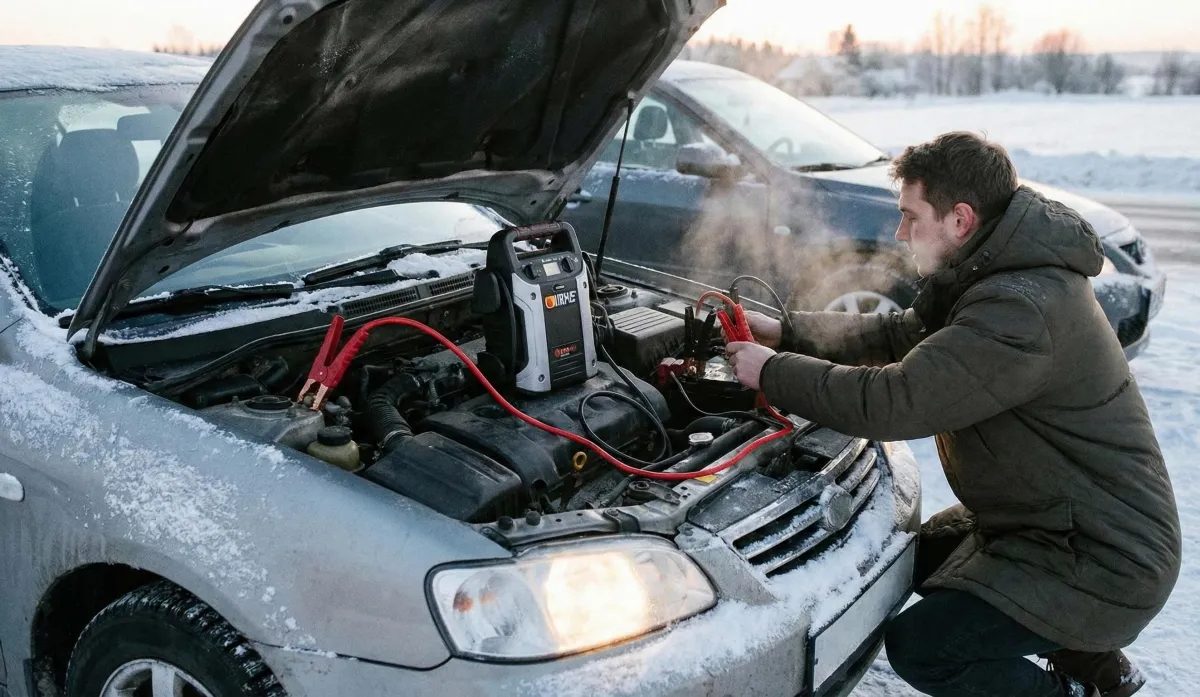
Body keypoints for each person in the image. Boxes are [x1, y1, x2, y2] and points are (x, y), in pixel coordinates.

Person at [725, 132, 1180, 697]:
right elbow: (901, 334)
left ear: (960, 219)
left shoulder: (1019, 309)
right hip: (1055, 520)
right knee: (909, 555)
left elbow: (893, 401)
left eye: (910, 216)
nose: (898, 232)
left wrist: (772, 372)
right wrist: (788, 333)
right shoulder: (994, 272)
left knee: (927, 648)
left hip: (1104, 556)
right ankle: (1097, 664)